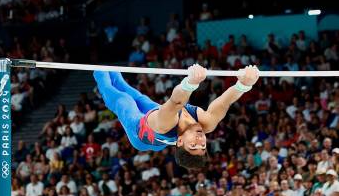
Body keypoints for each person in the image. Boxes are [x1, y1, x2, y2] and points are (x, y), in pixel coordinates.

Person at [94, 64, 259, 169]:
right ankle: (110, 64)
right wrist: (244, 84)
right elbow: (224, 103)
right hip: (156, 123)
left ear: (180, 141)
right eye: (202, 147)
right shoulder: (206, 123)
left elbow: (176, 101)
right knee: (133, 93)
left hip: (140, 134)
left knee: (123, 99)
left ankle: (97, 67)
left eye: (193, 146)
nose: (200, 142)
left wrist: (191, 83)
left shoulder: (166, 124)